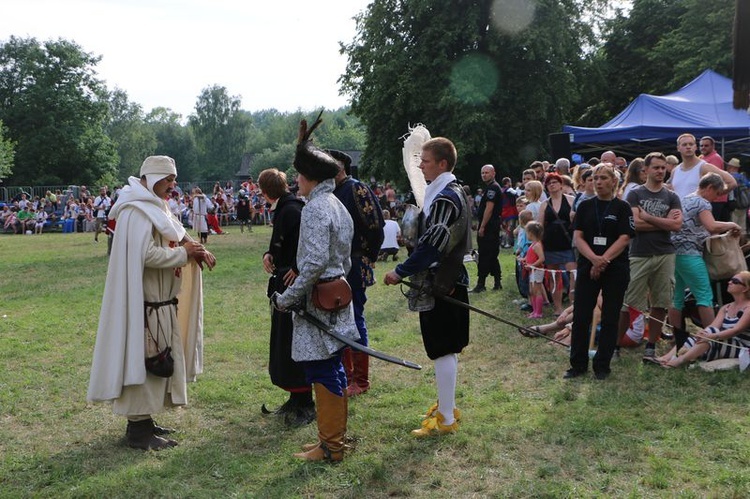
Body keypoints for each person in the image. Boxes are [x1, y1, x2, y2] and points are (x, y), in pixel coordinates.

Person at [87, 155, 216, 451]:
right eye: (168, 179)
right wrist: (185, 256)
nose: (173, 185)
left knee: (157, 360)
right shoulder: (137, 212)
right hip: (145, 304)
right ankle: (138, 429)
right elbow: (146, 255)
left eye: (174, 179)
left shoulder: (156, 207)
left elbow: (175, 234)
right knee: (144, 361)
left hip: (159, 301)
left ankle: (145, 420)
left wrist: (193, 248)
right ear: (153, 177)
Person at [271, 115, 358, 462]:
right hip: (337, 295)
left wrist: (289, 297)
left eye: (299, 176)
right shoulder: (335, 204)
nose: (296, 182)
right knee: (332, 367)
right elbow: (344, 259)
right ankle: (330, 439)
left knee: (323, 370)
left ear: (310, 177)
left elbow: (313, 262)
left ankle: (331, 446)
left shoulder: (317, 208)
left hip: (320, 301)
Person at [384, 137, 471, 437]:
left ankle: (446, 418)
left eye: (426, 160)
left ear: (443, 164)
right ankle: (446, 406)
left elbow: (434, 245)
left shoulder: (447, 196)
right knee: (445, 349)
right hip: (444, 280)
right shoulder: (445, 191)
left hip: (444, 282)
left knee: (443, 349)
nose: (420, 165)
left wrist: (400, 270)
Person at [565, 164, 634, 380]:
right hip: (588, 265)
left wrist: (603, 260)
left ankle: (602, 365)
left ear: (614, 181)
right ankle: (578, 364)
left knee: (610, 316)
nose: (598, 182)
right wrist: (594, 259)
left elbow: (624, 238)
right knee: (581, 316)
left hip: (615, 268)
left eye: (603, 178)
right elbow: (578, 237)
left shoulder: (622, 208)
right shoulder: (585, 207)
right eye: (595, 178)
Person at [259, 168, 314, 427]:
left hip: (293, 285)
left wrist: (295, 266)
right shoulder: (286, 208)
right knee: (284, 341)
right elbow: (281, 243)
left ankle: (305, 401)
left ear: (264, 191)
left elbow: (306, 245)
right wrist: (269, 254)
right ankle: (295, 396)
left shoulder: (292, 210)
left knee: (293, 340)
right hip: (283, 282)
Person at [618, 152, 683, 362]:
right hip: (639, 253)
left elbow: (676, 225)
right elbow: (634, 224)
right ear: (645, 170)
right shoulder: (635, 194)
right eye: (656, 167)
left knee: (661, 301)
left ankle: (651, 346)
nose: (660, 171)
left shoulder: (671, 196)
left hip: (665, 253)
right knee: (628, 302)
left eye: (663, 168)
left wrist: (647, 217)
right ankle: (615, 345)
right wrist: (661, 220)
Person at [331, 149, 385, 397]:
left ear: (341, 167)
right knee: (340, 319)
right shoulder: (331, 192)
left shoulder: (356, 188)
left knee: (354, 319)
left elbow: (375, 226)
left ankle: (360, 380)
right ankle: (346, 374)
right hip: (338, 265)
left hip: (355, 262)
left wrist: (366, 257)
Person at [667, 173, 741, 337]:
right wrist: (732, 224)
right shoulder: (702, 202)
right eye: (717, 194)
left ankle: (677, 339)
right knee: (704, 296)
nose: (716, 198)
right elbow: (712, 226)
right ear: (709, 188)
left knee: (676, 298)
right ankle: (712, 340)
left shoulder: (685, 198)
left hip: (674, 253)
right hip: (690, 254)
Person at [659, 271, 750, 368]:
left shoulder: (748, 308)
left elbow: (736, 330)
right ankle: (666, 357)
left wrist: (712, 336)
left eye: (735, 281)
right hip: (724, 341)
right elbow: (713, 326)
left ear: (745, 288)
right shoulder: (726, 307)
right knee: (703, 334)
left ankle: (680, 360)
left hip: (741, 348)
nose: (729, 282)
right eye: (730, 280)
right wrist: (704, 334)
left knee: (709, 335)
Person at [538, 173, 576, 316]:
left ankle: (573, 305)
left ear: (561, 184)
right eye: (549, 183)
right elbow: (540, 226)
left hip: (568, 243)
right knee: (554, 277)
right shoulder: (544, 204)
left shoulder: (572, 200)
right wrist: (538, 244)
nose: (552, 185)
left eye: (554, 182)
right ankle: (558, 308)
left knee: (573, 275)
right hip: (550, 244)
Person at [471, 164, 503, 292]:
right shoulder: (490, 187)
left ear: (493, 173)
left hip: (490, 227)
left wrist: (482, 226)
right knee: (491, 254)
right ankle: (497, 282)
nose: (484, 175)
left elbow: (489, 209)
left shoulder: (493, 188)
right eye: (482, 173)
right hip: (490, 226)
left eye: (487, 172)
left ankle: (481, 284)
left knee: (485, 254)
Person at [523, 221, 546, 318]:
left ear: (531, 233)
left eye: (527, 232)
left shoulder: (537, 245)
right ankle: (534, 310)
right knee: (532, 291)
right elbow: (531, 256)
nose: (526, 235)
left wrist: (532, 265)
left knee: (537, 291)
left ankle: (539, 312)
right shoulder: (533, 244)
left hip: (537, 271)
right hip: (532, 271)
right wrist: (524, 260)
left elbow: (542, 258)